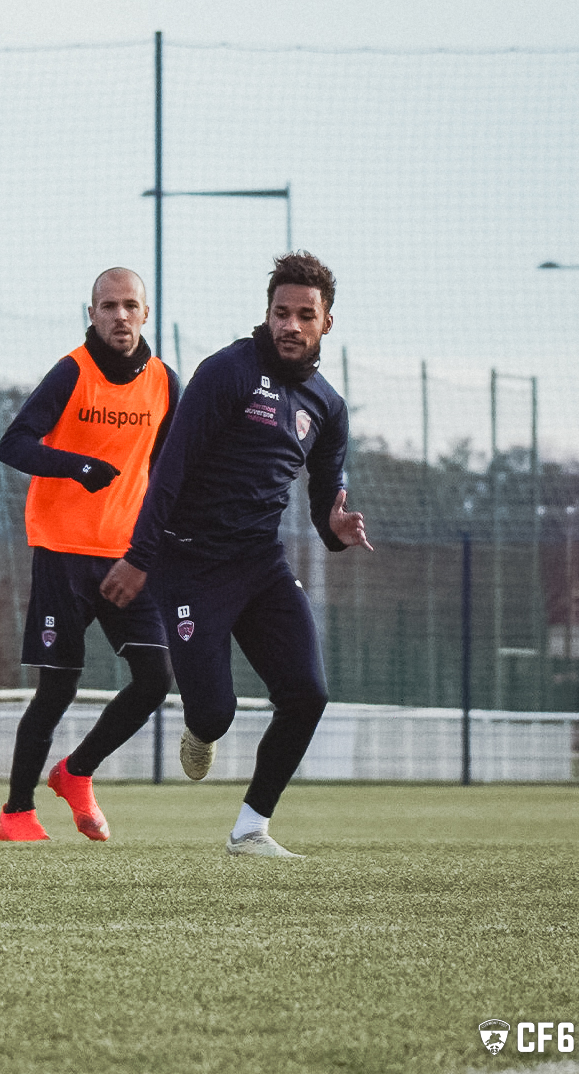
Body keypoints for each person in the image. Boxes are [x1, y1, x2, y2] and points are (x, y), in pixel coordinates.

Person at [101, 251, 372, 858]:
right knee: (215, 716)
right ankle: (202, 726)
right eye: (282, 312)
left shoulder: (327, 407)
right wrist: (142, 557)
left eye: (306, 315)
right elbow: (169, 469)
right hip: (189, 563)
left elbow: (325, 500)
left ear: (326, 322)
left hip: (261, 564)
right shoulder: (227, 371)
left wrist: (336, 527)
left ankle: (250, 829)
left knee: (307, 695)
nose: (291, 326)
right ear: (268, 313)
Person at [0, 267, 180, 843]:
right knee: (58, 687)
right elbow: (14, 444)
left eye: (129, 305)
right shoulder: (72, 371)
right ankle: (17, 814)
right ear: (92, 313)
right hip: (63, 554)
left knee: (155, 679)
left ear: (145, 314)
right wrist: (76, 465)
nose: (119, 315)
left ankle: (76, 773)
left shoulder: (167, 383)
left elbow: (176, 470)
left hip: (129, 560)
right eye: (107, 306)